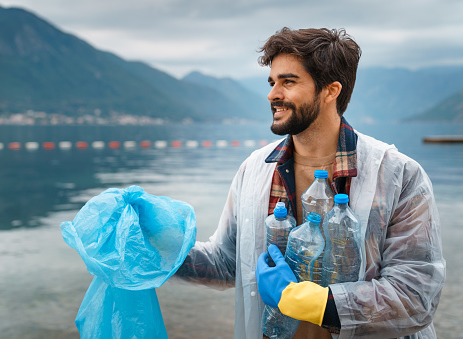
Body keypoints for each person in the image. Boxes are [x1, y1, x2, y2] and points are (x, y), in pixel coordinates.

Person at [174, 28, 445, 338]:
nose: (273, 94)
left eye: (288, 82)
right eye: (272, 82)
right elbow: (227, 263)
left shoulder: (399, 175)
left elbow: (415, 296)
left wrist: (305, 303)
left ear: (330, 91)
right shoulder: (254, 169)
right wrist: (152, 244)